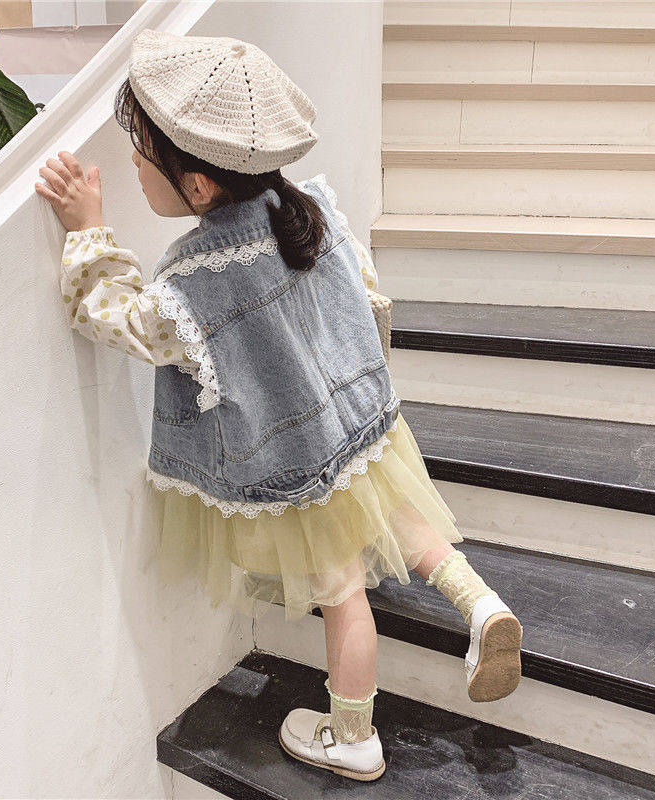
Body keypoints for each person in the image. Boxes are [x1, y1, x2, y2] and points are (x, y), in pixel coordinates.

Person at [35, 28, 522, 783]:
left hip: (296, 459)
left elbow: (119, 320)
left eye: (142, 154)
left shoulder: (193, 278)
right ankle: (480, 603)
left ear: (199, 187)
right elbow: (364, 302)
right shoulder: (315, 206)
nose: (131, 162)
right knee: (397, 515)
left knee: (344, 596)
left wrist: (88, 230)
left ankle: (353, 736)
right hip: (358, 420)